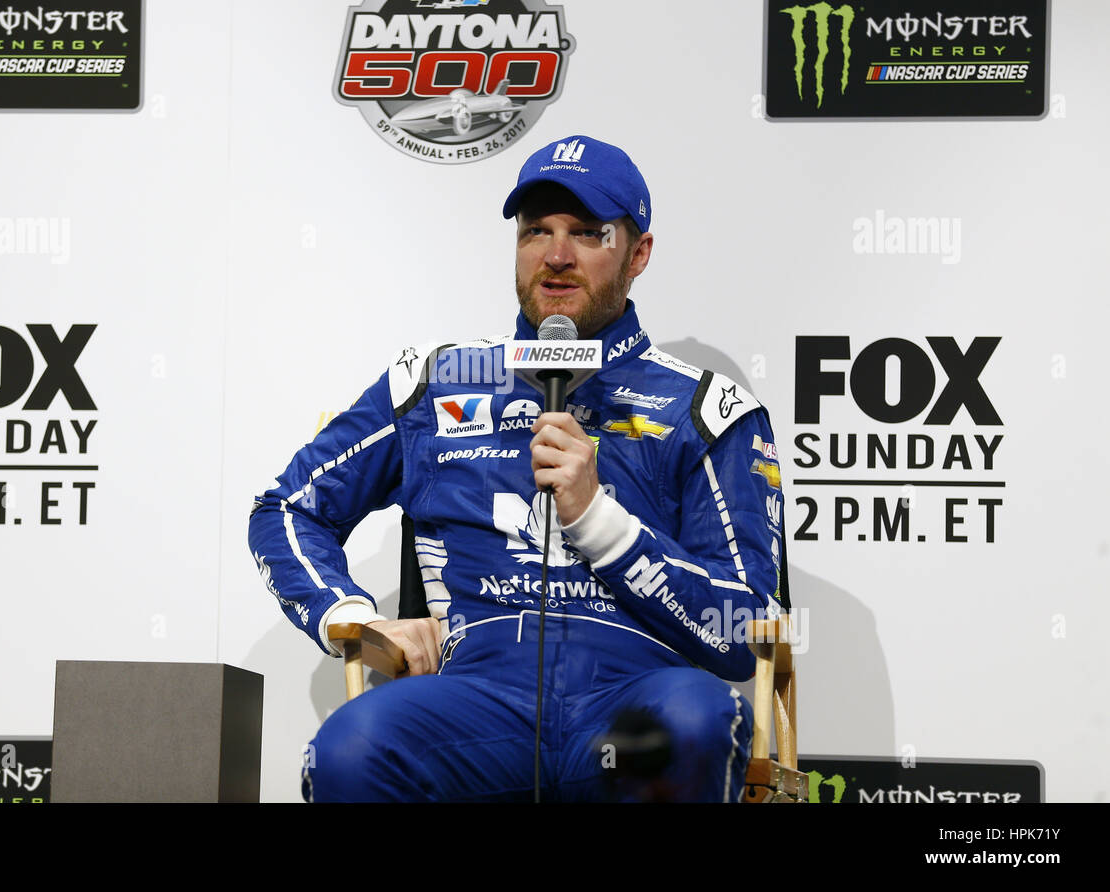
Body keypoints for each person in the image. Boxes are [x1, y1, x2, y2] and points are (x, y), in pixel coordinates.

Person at [248, 134, 786, 802]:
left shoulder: (708, 408)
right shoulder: (433, 382)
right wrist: (350, 617)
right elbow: (286, 508)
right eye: (536, 231)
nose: (556, 257)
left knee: (694, 722)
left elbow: (749, 625)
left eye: (589, 233)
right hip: (480, 709)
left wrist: (600, 523)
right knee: (352, 749)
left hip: (629, 712)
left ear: (638, 253)